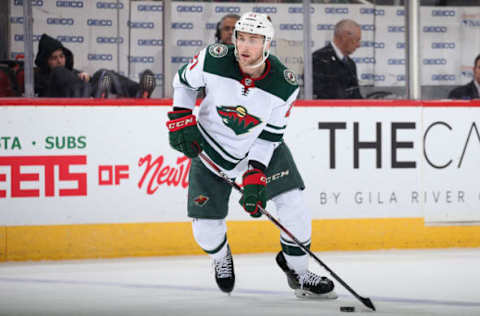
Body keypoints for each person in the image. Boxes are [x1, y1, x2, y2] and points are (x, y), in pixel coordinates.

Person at [166, 12, 337, 299]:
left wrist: (255, 174)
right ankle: (221, 257)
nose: (244, 46)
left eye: (253, 40)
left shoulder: (284, 84)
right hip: (209, 149)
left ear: (267, 44)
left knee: (294, 206)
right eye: (240, 38)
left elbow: (270, 136)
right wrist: (181, 117)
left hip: (260, 147)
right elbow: (182, 81)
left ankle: (298, 270)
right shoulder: (214, 58)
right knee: (205, 230)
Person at [34, 33, 156, 98]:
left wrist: (85, 78)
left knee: (103, 74)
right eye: (54, 58)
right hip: (63, 108)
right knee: (59, 72)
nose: (60, 61)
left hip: (86, 98)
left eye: (61, 56)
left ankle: (138, 92)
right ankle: (92, 94)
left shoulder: (71, 72)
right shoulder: (39, 76)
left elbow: (76, 78)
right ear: (46, 61)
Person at [312, 19, 363, 99]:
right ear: (344, 37)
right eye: (356, 40)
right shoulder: (318, 58)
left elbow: (356, 96)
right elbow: (319, 92)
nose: (358, 45)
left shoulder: (350, 64)